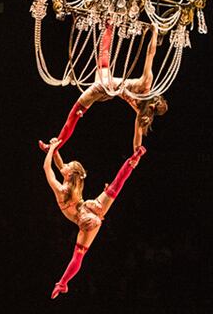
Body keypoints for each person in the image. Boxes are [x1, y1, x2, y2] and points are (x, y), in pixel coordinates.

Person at [39, 21, 168, 153]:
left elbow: (150, 54)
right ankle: (109, 25)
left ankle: (53, 148)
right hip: (108, 86)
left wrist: (155, 33)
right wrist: (137, 151)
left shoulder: (146, 84)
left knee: (73, 116)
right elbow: (137, 137)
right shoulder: (142, 111)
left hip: (102, 87)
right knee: (104, 59)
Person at [43, 137, 147, 299]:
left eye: (67, 165)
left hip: (85, 219)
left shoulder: (62, 190)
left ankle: (62, 283)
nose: (64, 165)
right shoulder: (74, 181)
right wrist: (53, 149)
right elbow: (60, 164)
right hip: (88, 210)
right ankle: (132, 161)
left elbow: (47, 167)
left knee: (79, 254)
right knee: (114, 187)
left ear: (69, 174)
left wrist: (51, 149)